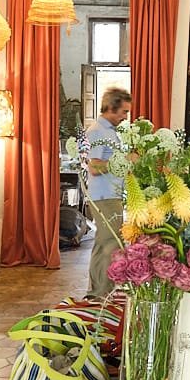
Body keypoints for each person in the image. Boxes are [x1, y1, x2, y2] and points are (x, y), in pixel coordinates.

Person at [85, 86, 131, 298]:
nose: (125, 117)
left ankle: (96, 291)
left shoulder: (107, 131)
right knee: (111, 244)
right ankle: (101, 293)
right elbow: (94, 167)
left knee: (104, 243)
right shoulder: (97, 131)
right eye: (124, 112)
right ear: (111, 108)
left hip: (109, 194)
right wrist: (124, 161)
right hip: (105, 197)